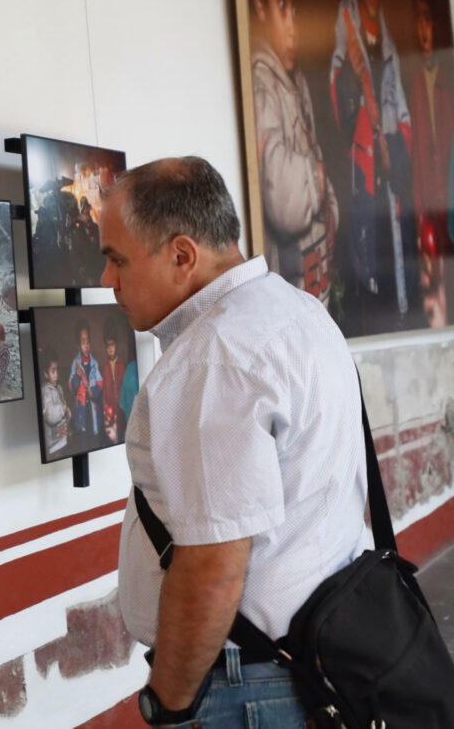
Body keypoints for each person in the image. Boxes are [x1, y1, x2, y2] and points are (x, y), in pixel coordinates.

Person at [102, 157, 368, 725]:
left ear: (182, 255)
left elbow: (213, 568)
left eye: (116, 259)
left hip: (248, 684)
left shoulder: (214, 356)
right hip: (314, 656)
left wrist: (169, 705)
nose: (108, 280)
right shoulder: (295, 311)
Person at [330, 0, 420, 331]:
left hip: (391, 181)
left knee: (399, 269)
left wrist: (392, 151)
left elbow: (403, 112)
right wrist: (353, 80)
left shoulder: (388, 40)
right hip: (363, 179)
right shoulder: (346, 26)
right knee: (367, 267)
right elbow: (338, 108)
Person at [250, 0, 337, 304]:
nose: (293, 29)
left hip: (314, 282)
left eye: (297, 13)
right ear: (260, 9)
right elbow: (285, 202)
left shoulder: (294, 79)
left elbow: (315, 155)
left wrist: (329, 207)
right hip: (293, 287)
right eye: (283, 8)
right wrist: (318, 177)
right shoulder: (261, 79)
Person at [408, 0, 452, 326]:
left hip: (447, 197)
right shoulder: (413, 83)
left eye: (428, 21)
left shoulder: (447, 80)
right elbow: (416, 155)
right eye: (418, 22)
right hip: (428, 201)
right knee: (432, 273)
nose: (424, 32)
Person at [68, 321, 103, 450]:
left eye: (88, 341)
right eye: (83, 342)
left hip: (93, 411)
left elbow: (99, 385)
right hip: (81, 413)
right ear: (79, 344)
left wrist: (91, 391)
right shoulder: (75, 363)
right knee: (83, 443)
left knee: (94, 442)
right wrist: (78, 376)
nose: (86, 345)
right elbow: (71, 387)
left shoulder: (94, 363)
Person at [98, 317, 127, 445]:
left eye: (112, 345)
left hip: (121, 411)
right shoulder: (104, 367)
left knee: (122, 437)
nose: (110, 349)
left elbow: (125, 389)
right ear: (105, 346)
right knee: (112, 439)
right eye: (108, 346)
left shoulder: (121, 365)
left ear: (116, 344)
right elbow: (104, 390)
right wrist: (105, 406)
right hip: (110, 411)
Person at [39, 351, 70, 458]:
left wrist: (67, 413)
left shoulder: (59, 388)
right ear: (46, 374)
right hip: (54, 445)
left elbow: (64, 405)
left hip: (63, 438)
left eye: (57, 370)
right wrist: (62, 409)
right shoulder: (45, 392)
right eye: (53, 371)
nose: (56, 374)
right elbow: (50, 416)